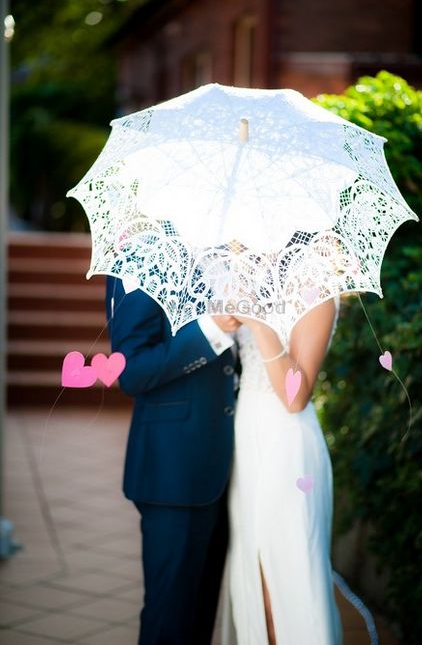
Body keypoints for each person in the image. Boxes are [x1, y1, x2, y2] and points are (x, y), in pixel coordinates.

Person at [105, 275, 241, 645]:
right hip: (175, 466)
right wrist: (214, 328)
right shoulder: (144, 254)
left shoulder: (236, 249)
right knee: (170, 621)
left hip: (232, 463)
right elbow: (130, 371)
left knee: (199, 617)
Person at [222, 294, 344, 645]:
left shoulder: (317, 293)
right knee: (255, 584)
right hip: (246, 442)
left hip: (286, 447)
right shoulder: (248, 281)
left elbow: (295, 397)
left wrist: (259, 323)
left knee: (286, 578)